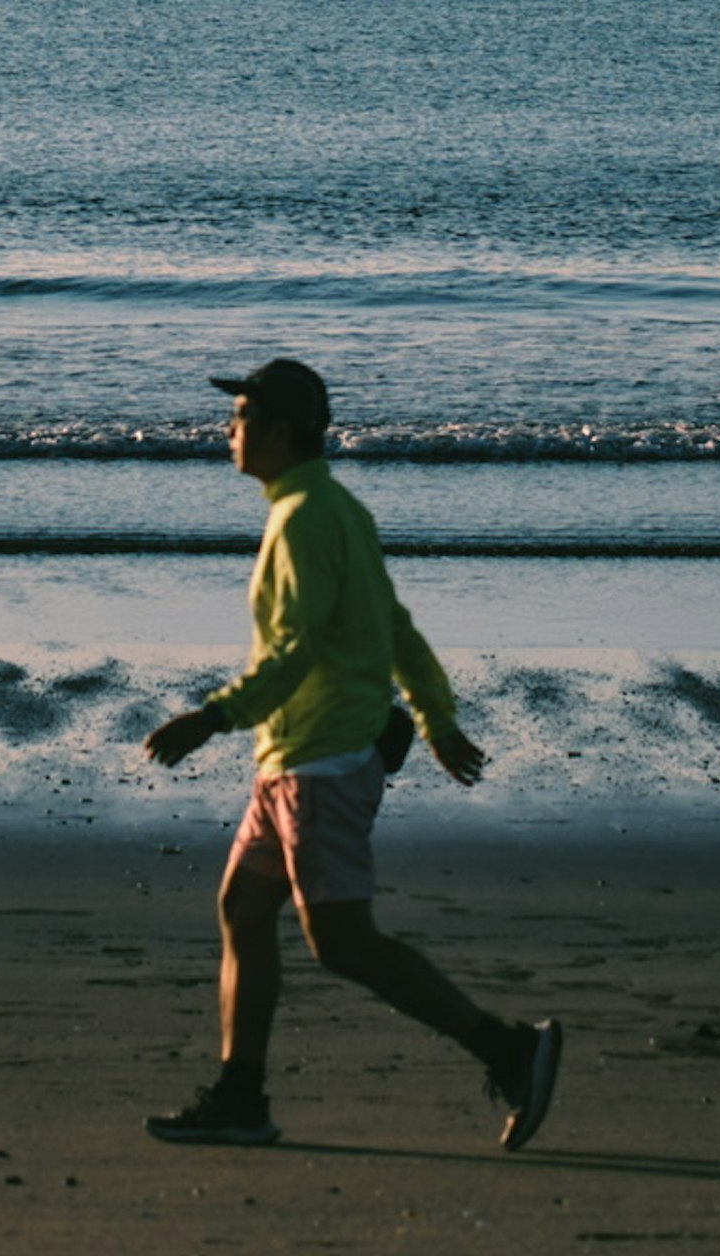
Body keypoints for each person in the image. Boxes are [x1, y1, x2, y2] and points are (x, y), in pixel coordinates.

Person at [136, 356, 561, 1151]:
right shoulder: (330, 508)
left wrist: (213, 716)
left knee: (343, 942)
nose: (228, 430)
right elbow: (393, 624)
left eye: (241, 416)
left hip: (323, 760)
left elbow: (296, 647)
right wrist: (435, 719)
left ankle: (509, 1048)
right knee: (243, 909)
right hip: (293, 758)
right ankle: (239, 1098)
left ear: (282, 429)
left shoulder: (305, 518)